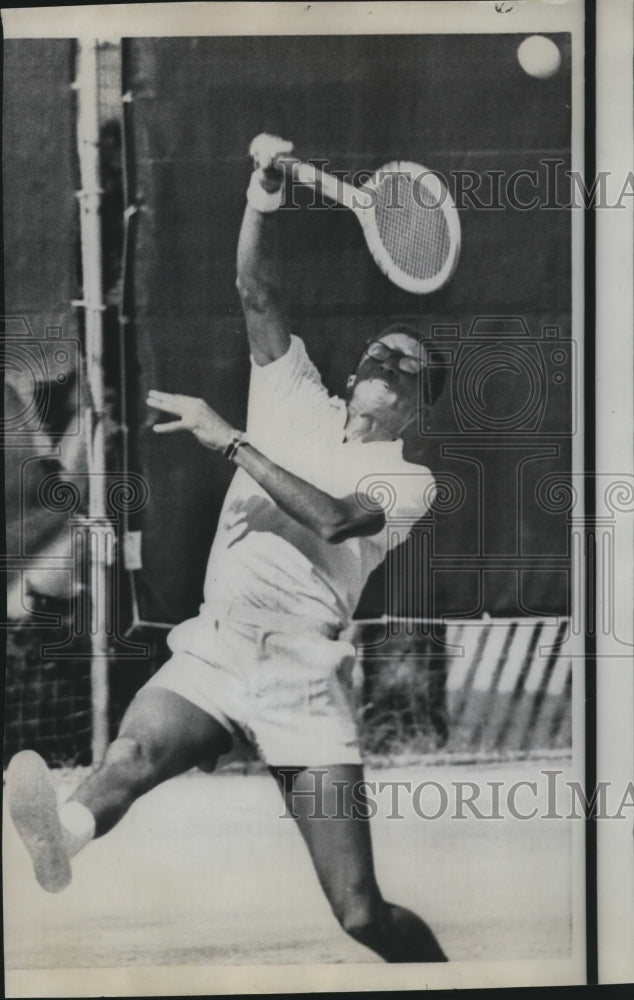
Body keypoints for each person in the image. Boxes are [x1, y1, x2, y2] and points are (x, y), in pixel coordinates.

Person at [8, 134, 447, 963]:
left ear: (414, 407)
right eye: (377, 352)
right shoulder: (294, 393)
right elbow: (255, 287)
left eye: (404, 364)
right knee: (131, 756)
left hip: (300, 675)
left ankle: (443, 979)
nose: (382, 361)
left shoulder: (406, 478)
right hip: (220, 645)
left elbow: (336, 521)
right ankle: (63, 836)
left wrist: (230, 441)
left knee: (359, 914)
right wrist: (262, 190)